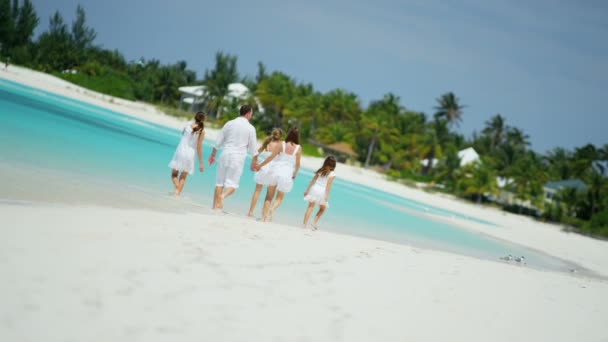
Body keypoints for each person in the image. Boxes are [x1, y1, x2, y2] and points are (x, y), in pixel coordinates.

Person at [208, 105, 257, 210]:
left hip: (224, 154)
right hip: (237, 158)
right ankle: (222, 197)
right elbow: (254, 149)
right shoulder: (250, 128)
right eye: (251, 114)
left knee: (219, 183)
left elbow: (218, 141)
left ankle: (214, 208)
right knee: (233, 185)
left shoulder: (229, 123)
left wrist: (212, 155)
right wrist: (254, 162)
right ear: (248, 113)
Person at [255, 127, 301, 222]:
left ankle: (263, 218)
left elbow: (271, 157)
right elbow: (297, 164)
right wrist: (294, 174)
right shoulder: (298, 148)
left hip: (275, 171)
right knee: (279, 198)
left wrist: (260, 165)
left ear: (288, 134)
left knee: (269, 196)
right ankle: (272, 209)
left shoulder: (282, 144)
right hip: (286, 174)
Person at [168, 112, 206, 196]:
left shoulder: (188, 124)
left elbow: (183, 134)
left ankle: (176, 190)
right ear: (203, 120)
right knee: (183, 177)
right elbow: (199, 147)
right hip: (190, 154)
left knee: (174, 175)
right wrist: (201, 163)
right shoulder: (202, 131)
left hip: (181, 151)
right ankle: (177, 194)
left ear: (195, 117)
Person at [247, 128, 283, 217]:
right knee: (269, 194)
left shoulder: (267, 142)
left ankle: (251, 211)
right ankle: (264, 214)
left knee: (257, 190)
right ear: (280, 136)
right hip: (272, 170)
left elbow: (256, 152)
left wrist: (254, 162)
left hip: (262, 167)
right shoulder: (280, 145)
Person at [303, 156, 336, 230]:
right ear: (333, 165)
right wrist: (326, 195)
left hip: (314, 189)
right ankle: (314, 222)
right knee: (322, 209)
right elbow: (328, 186)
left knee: (310, 207)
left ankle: (304, 225)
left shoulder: (320, 170)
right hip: (322, 191)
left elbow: (313, 181)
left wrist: (307, 190)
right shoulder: (332, 174)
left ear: (325, 162)